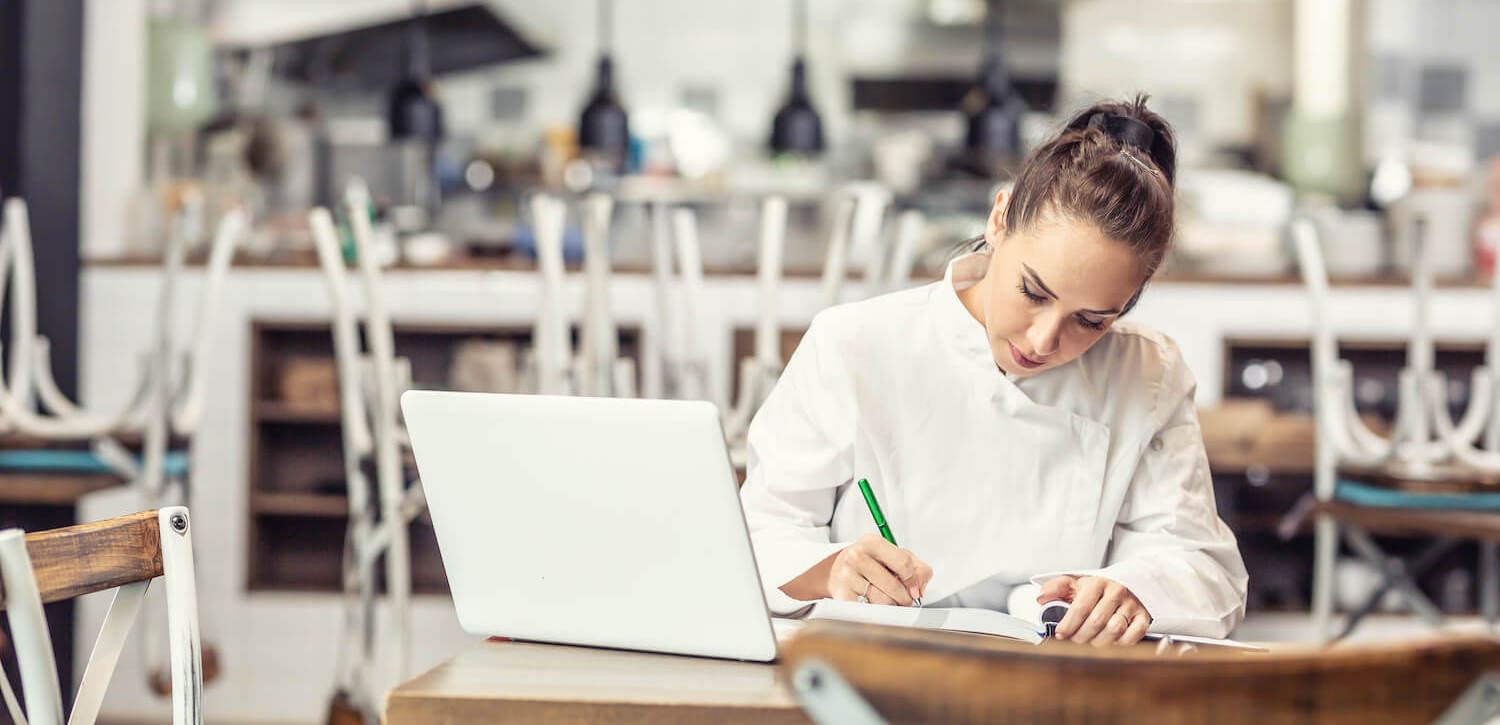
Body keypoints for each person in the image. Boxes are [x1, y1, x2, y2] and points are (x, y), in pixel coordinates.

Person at [739, 95, 1248, 646]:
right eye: (1032, 292)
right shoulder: (855, 344)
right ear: (1000, 218)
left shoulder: (1147, 373)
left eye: (1092, 320)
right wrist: (832, 568)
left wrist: (1137, 588)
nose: (1043, 340)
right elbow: (756, 535)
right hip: (873, 667)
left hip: (1054, 681)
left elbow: (1206, 570)